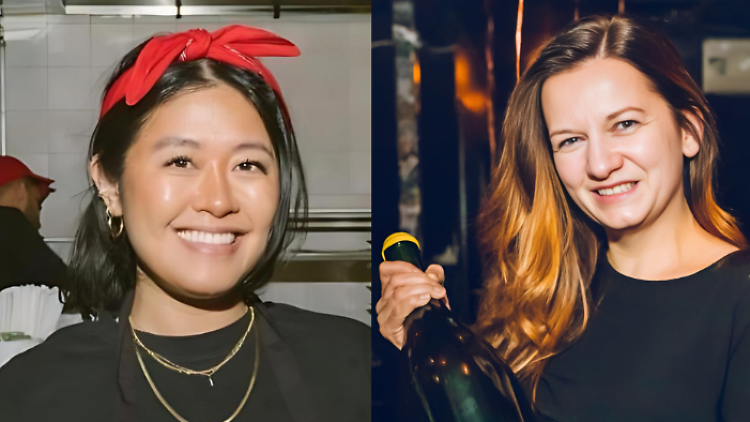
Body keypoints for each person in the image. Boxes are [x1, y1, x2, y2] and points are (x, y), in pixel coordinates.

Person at [376, 15, 750, 422]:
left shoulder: (738, 301)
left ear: (689, 132)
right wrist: (417, 345)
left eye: (625, 124)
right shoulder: (547, 290)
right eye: (571, 140)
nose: (601, 164)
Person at [0, 25, 370, 422]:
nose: (218, 200)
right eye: (180, 162)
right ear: (110, 183)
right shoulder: (30, 394)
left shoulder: (360, 362)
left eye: (247, 165)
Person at [0, 155, 69, 291]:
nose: (38, 213)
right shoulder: (14, 229)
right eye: (38, 202)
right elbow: (69, 286)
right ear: (20, 189)